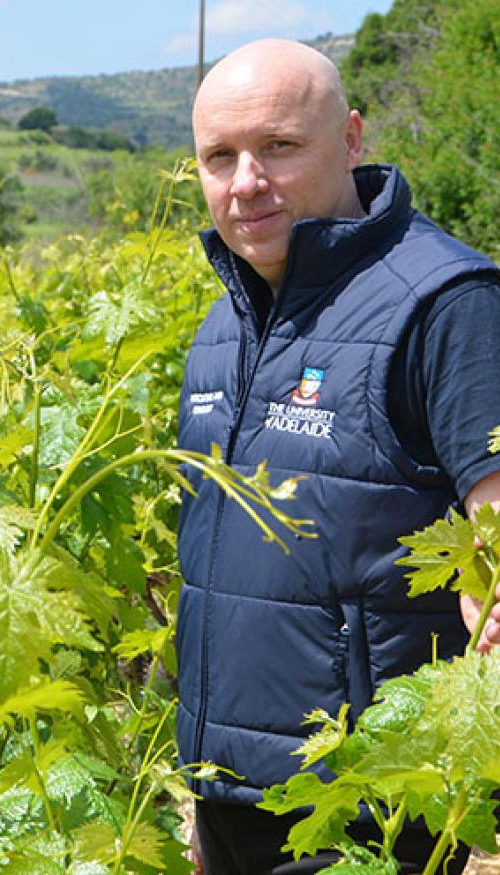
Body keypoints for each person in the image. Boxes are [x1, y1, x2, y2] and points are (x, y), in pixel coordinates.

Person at [176, 38, 500, 874]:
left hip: (359, 805)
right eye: (221, 156)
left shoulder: (446, 304)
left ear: (351, 138)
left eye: (279, 147)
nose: (247, 181)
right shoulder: (226, 326)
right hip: (225, 791)